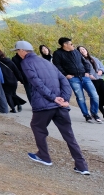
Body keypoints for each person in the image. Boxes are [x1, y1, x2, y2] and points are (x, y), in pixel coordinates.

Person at [16, 41, 90, 174]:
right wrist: (64, 99)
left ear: (22, 51)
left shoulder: (26, 63)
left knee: (37, 127)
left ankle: (44, 156)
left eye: (17, 51)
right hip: (60, 106)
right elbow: (64, 81)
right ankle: (82, 166)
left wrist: (53, 98)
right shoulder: (47, 63)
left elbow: (36, 82)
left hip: (44, 104)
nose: (17, 54)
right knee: (69, 135)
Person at [51, 37, 101, 123]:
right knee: (81, 98)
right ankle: (86, 115)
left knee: (95, 95)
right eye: (71, 44)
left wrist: (87, 72)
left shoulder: (76, 52)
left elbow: (85, 62)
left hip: (85, 77)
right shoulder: (58, 53)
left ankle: (94, 113)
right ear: (65, 45)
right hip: (73, 78)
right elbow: (57, 66)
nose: (73, 45)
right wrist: (66, 75)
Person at [79, 45, 104, 122]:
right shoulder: (81, 61)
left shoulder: (94, 59)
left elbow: (102, 67)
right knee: (97, 99)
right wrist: (89, 76)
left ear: (86, 49)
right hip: (91, 82)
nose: (82, 50)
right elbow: (82, 71)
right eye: (80, 50)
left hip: (100, 80)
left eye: (83, 49)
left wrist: (101, 71)